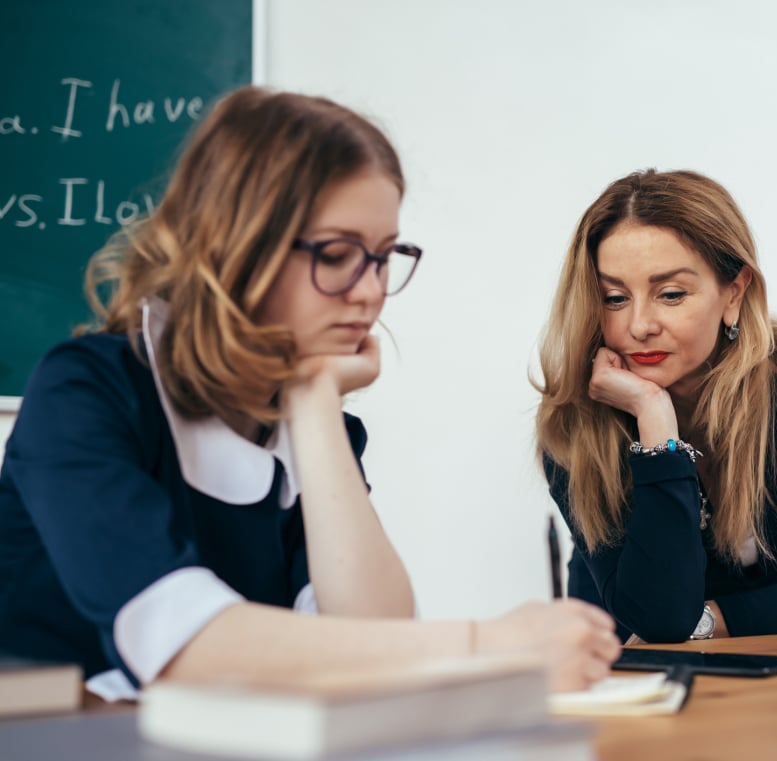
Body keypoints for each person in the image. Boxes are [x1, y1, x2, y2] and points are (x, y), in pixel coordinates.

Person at [0, 86, 619, 700]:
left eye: (382, 257)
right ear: (239, 248)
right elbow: (184, 648)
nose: (370, 292)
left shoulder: (317, 427)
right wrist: (487, 646)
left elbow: (370, 639)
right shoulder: (87, 391)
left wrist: (316, 400)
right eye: (338, 254)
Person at [534, 169, 777, 643]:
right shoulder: (574, 425)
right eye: (614, 298)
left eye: (671, 294)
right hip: (633, 682)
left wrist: (702, 623)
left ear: (734, 293)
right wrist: (654, 421)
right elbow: (658, 618)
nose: (640, 325)